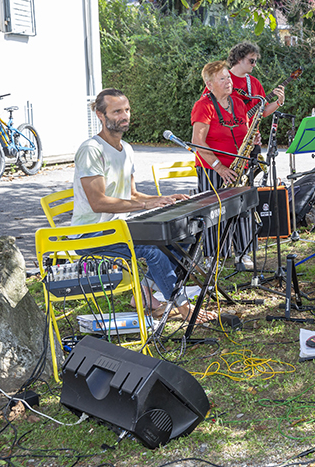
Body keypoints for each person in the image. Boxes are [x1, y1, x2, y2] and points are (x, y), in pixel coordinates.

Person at [71, 89, 217, 323]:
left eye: (127, 110)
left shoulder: (126, 149)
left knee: (183, 238)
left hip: (118, 227)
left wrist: (161, 199)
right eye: (117, 111)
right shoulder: (92, 149)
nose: (124, 115)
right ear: (100, 115)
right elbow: (98, 203)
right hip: (89, 235)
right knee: (153, 251)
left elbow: (132, 194)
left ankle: (145, 293)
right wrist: (144, 204)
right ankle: (184, 308)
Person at [191, 60, 257, 269]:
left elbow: (244, 131)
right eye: (222, 78)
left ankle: (243, 254)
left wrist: (254, 139)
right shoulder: (204, 106)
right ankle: (212, 256)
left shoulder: (237, 103)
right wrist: (219, 167)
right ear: (209, 85)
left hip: (239, 167)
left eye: (228, 76)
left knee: (244, 210)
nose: (229, 81)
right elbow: (197, 142)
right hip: (212, 168)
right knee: (213, 213)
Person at [226, 41, 286, 117]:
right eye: (251, 61)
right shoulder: (220, 79)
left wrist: (278, 102)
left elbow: (264, 112)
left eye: (255, 61)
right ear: (239, 59)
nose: (254, 65)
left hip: (251, 129)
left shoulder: (255, 83)